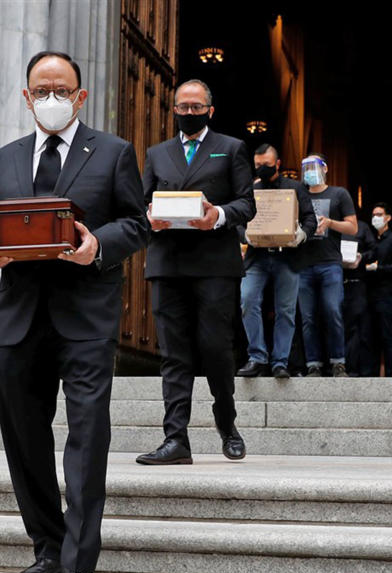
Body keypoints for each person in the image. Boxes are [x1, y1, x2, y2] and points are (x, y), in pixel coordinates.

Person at [0, 51, 149, 573]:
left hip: (86, 319)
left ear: (80, 96)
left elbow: (138, 222)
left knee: (87, 435)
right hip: (19, 321)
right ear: (26, 97)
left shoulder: (114, 152)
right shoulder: (3, 159)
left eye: (61, 89)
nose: (51, 98)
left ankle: (80, 563)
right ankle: (47, 547)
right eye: (40, 90)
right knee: (24, 439)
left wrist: (98, 246)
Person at [137, 79, 256, 465]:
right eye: (183, 107)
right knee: (173, 353)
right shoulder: (157, 153)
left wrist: (217, 215)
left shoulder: (231, 148)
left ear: (210, 109)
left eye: (196, 107)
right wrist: (150, 218)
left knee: (216, 349)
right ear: (173, 110)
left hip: (214, 265)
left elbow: (246, 204)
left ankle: (227, 424)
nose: (189, 113)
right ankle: (176, 440)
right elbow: (140, 204)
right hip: (168, 263)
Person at [237, 144, 317, 379]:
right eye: (258, 165)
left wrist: (301, 234)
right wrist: (245, 236)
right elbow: (238, 220)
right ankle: (257, 357)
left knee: (286, 310)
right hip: (257, 257)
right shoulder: (250, 189)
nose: (262, 168)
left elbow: (310, 218)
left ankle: (280, 361)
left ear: (278, 163)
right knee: (247, 300)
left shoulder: (295, 188)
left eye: (267, 164)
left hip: (287, 257)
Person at [295, 154, 358, 377]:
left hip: (330, 262)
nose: (310, 172)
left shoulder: (339, 194)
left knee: (333, 311)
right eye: (306, 168)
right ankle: (313, 364)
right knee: (308, 317)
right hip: (303, 264)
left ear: (325, 169)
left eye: (314, 167)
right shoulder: (297, 195)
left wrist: (331, 223)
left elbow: (352, 228)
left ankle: (338, 362)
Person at [364, 202, 392, 376]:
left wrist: (380, 268)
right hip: (370, 294)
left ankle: (390, 374)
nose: (376, 218)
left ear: (388, 218)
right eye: (374, 214)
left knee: (387, 334)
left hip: (387, 293)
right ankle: (373, 374)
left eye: (379, 214)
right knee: (371, 336)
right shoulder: (372, 240)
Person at [341, 214, 377, 376]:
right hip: (335, 282)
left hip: (357, 281)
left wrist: (361, 257)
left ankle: (356, 369)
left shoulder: (362, 227)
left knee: (357, 327)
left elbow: (374, 250)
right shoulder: (332, 226)